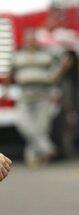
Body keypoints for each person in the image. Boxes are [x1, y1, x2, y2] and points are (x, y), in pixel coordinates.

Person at [9, 28, 66, 166]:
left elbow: (54, 75)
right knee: (23, 123)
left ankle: (33, 158)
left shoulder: (46, 56)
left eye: (32, 39)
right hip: (24, 95)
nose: (30, 42)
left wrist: (63, 68)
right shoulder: (17, 56)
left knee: (41, 127)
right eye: (28, 39)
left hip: (43, 95)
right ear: (24, 41)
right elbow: (11, 75)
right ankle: (47, 148)